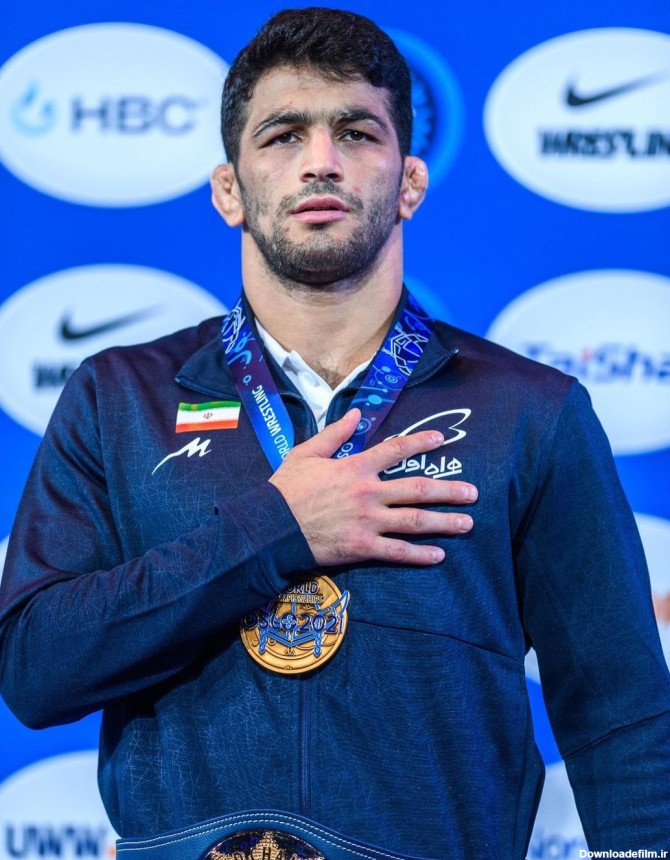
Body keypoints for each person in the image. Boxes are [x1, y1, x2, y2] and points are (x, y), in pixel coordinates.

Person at [1, 8, 669, 859]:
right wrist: (276, 528)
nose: (320, 160)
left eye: (356, 133)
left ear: (411, 181)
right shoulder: (119, 397)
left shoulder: (530, 410)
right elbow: (36, 671)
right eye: (283, 135)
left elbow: (622, 718)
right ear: (229, 190)